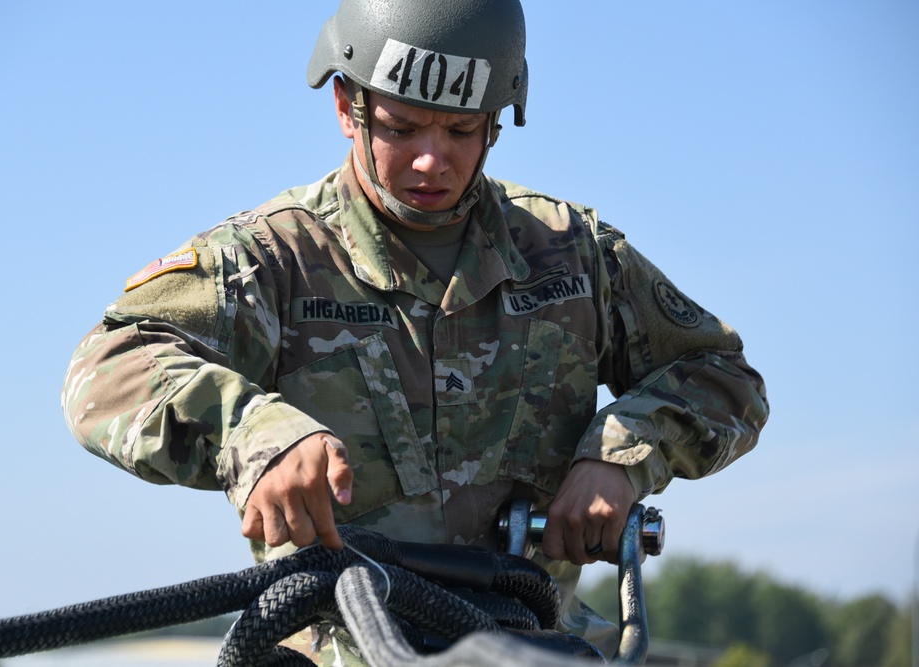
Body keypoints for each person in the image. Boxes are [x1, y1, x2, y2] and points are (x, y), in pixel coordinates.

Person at [62, 0, 768, 662]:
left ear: (499, 119)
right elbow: (105, 369)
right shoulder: (271, 260)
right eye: (402, 127)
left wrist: (621, 453)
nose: (434, 159)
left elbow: (724, 375)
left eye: (462, 130)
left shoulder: (573, 254)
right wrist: (254, 433)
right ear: (348, 107)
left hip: (526, 645)